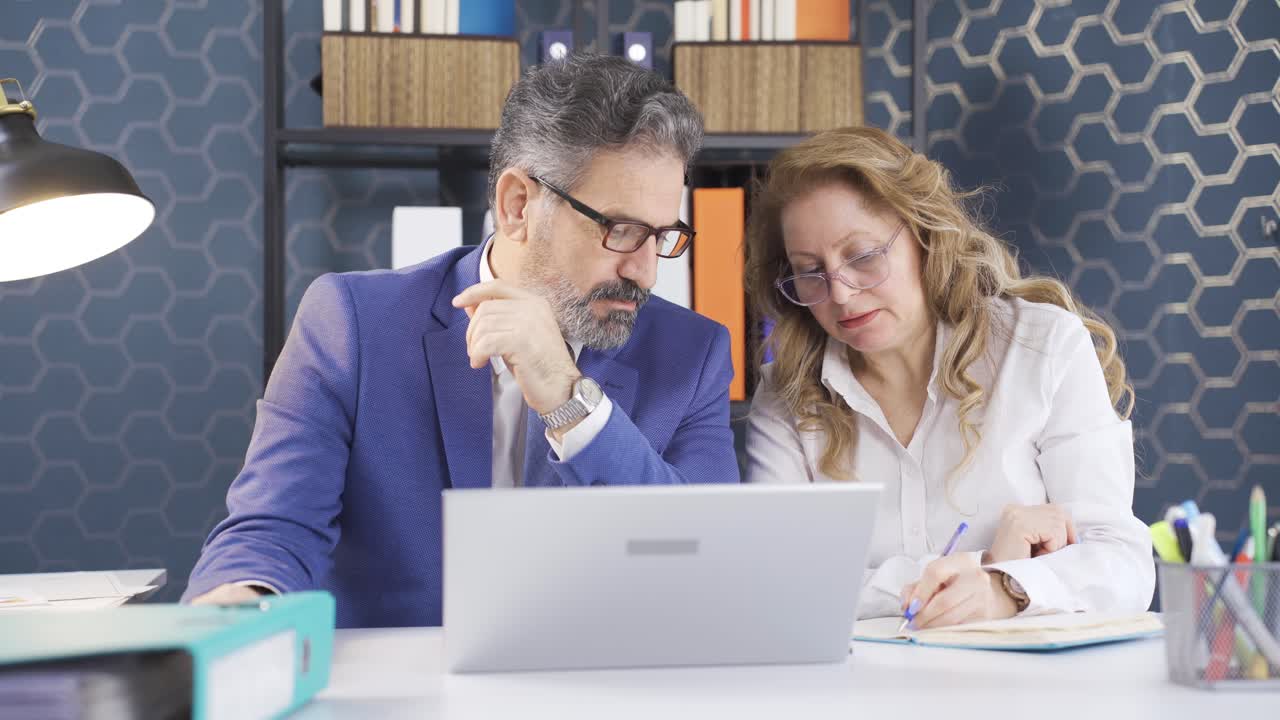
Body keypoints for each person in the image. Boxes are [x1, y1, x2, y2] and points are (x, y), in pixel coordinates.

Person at [183, 54, 741, 626]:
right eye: (621, 231)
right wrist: (239, 602)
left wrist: (571, 401)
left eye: (664, 236)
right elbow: (275, 526)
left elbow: (708, 566)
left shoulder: (692, 356)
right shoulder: (352, 323)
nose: (646, 272)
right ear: (518, 205)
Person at [743, 126, 1154, 628]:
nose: (841, 293)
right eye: (810, 271)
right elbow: (776, 584)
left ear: (923, 236)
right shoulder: (785, 395)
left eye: (863, 257)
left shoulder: (1042, 347)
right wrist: (988, 568)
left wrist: (1008, 590)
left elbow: (1123, 564)